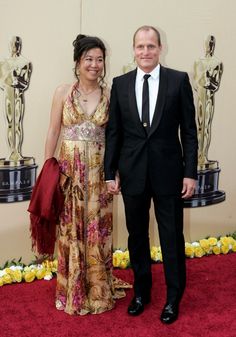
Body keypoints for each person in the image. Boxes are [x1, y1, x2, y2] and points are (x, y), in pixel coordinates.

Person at [104, 26, 198, 324]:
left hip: (170, 174)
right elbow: (114, 133)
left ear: (160, 48)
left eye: (151, 46)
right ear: (133, 49)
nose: (145, 52)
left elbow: (190, 132)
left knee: (171, 237)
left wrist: (190, 173)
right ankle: (141, 293)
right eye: (140, 46)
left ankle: (173, 298)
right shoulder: (120, 84)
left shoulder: (178, 80)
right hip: (132, 174)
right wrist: (110, 172)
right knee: (137, 238)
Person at [44, 34, 130, 315]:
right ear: (78, 62)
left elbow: (117, 137)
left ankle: (98, 290)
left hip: (98, 173)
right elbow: (54, 131)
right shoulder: (62, 92)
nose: (94, 65)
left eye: (99, 59)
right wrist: (48, 169)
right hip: (70, 173)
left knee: (98, 230)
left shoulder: (111, 95)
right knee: (71, 230)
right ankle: (72, 289)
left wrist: (115, 172)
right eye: (88, 59)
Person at [0, 36, 32, 162]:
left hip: (18, 95)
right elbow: (2, 82)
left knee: (17, 124)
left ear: (20, 45)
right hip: (8, 95)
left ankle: (17, 152)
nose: (15, 46)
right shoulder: (3, 63)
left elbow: (25, 83)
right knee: (9, 123)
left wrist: (16, 80)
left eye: (17, 43)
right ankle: (11, 152)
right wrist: (10, 80)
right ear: (10, 45)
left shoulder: (25, 63)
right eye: (13, 43)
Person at [193, 35, 223, 169]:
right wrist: (201, 81)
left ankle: (204, 155)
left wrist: (209, 81)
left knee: (206, 127)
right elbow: (195, 82)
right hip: (200, 97)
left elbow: (216, 85)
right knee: (199, 125)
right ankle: (198, 155)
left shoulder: (217, 63)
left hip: (209, 97)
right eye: (208, 43)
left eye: (212, 43)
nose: (210, 45)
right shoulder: (198, 62)